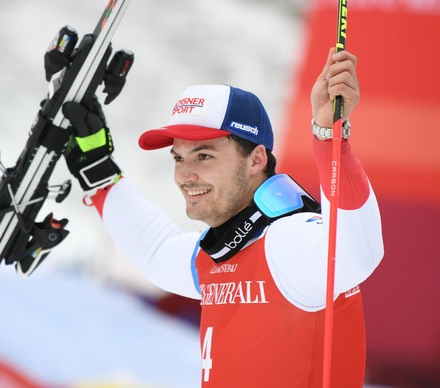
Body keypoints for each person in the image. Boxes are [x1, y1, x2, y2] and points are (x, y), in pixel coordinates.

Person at [61, 48, 384, 387]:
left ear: (257, 159)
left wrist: (329, 136)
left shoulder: (290, 241)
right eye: (178, 158)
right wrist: (99, 171)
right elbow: (157, 252)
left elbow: (355, 254)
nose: (185, 175)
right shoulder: (220, 252)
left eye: (204, 155)